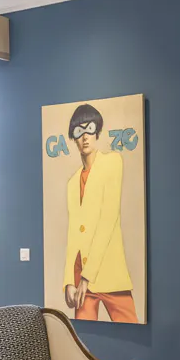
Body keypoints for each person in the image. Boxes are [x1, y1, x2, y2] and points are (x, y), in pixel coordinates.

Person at [62, 103, 138, 322]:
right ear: (73, 138)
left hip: (108, 270)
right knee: (82, 343)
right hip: (80, 272)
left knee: (129, 322)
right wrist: (69, 280)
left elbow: (108, 219)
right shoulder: (72, 182)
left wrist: (87, 277)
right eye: (79, 131)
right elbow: (73, 234)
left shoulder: (113, 162)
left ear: (97, 132)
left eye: (90, 129)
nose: (85, 136)